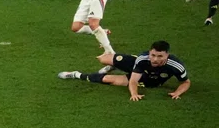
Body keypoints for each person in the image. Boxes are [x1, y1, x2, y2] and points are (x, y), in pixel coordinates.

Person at [57, 40, 190, 101]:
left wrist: (177, 92)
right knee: (103, 59)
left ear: (167, 55)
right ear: (150, 52)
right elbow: (133, 80)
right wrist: (134, 93)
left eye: (159, 56)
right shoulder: (143, 59)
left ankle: (75, 74)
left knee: (108, 79)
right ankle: (113, 66)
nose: (155, 59)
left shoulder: (176, 66)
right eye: (153, 55)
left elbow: (185, 82)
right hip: (139, 67)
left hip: (150, 79)